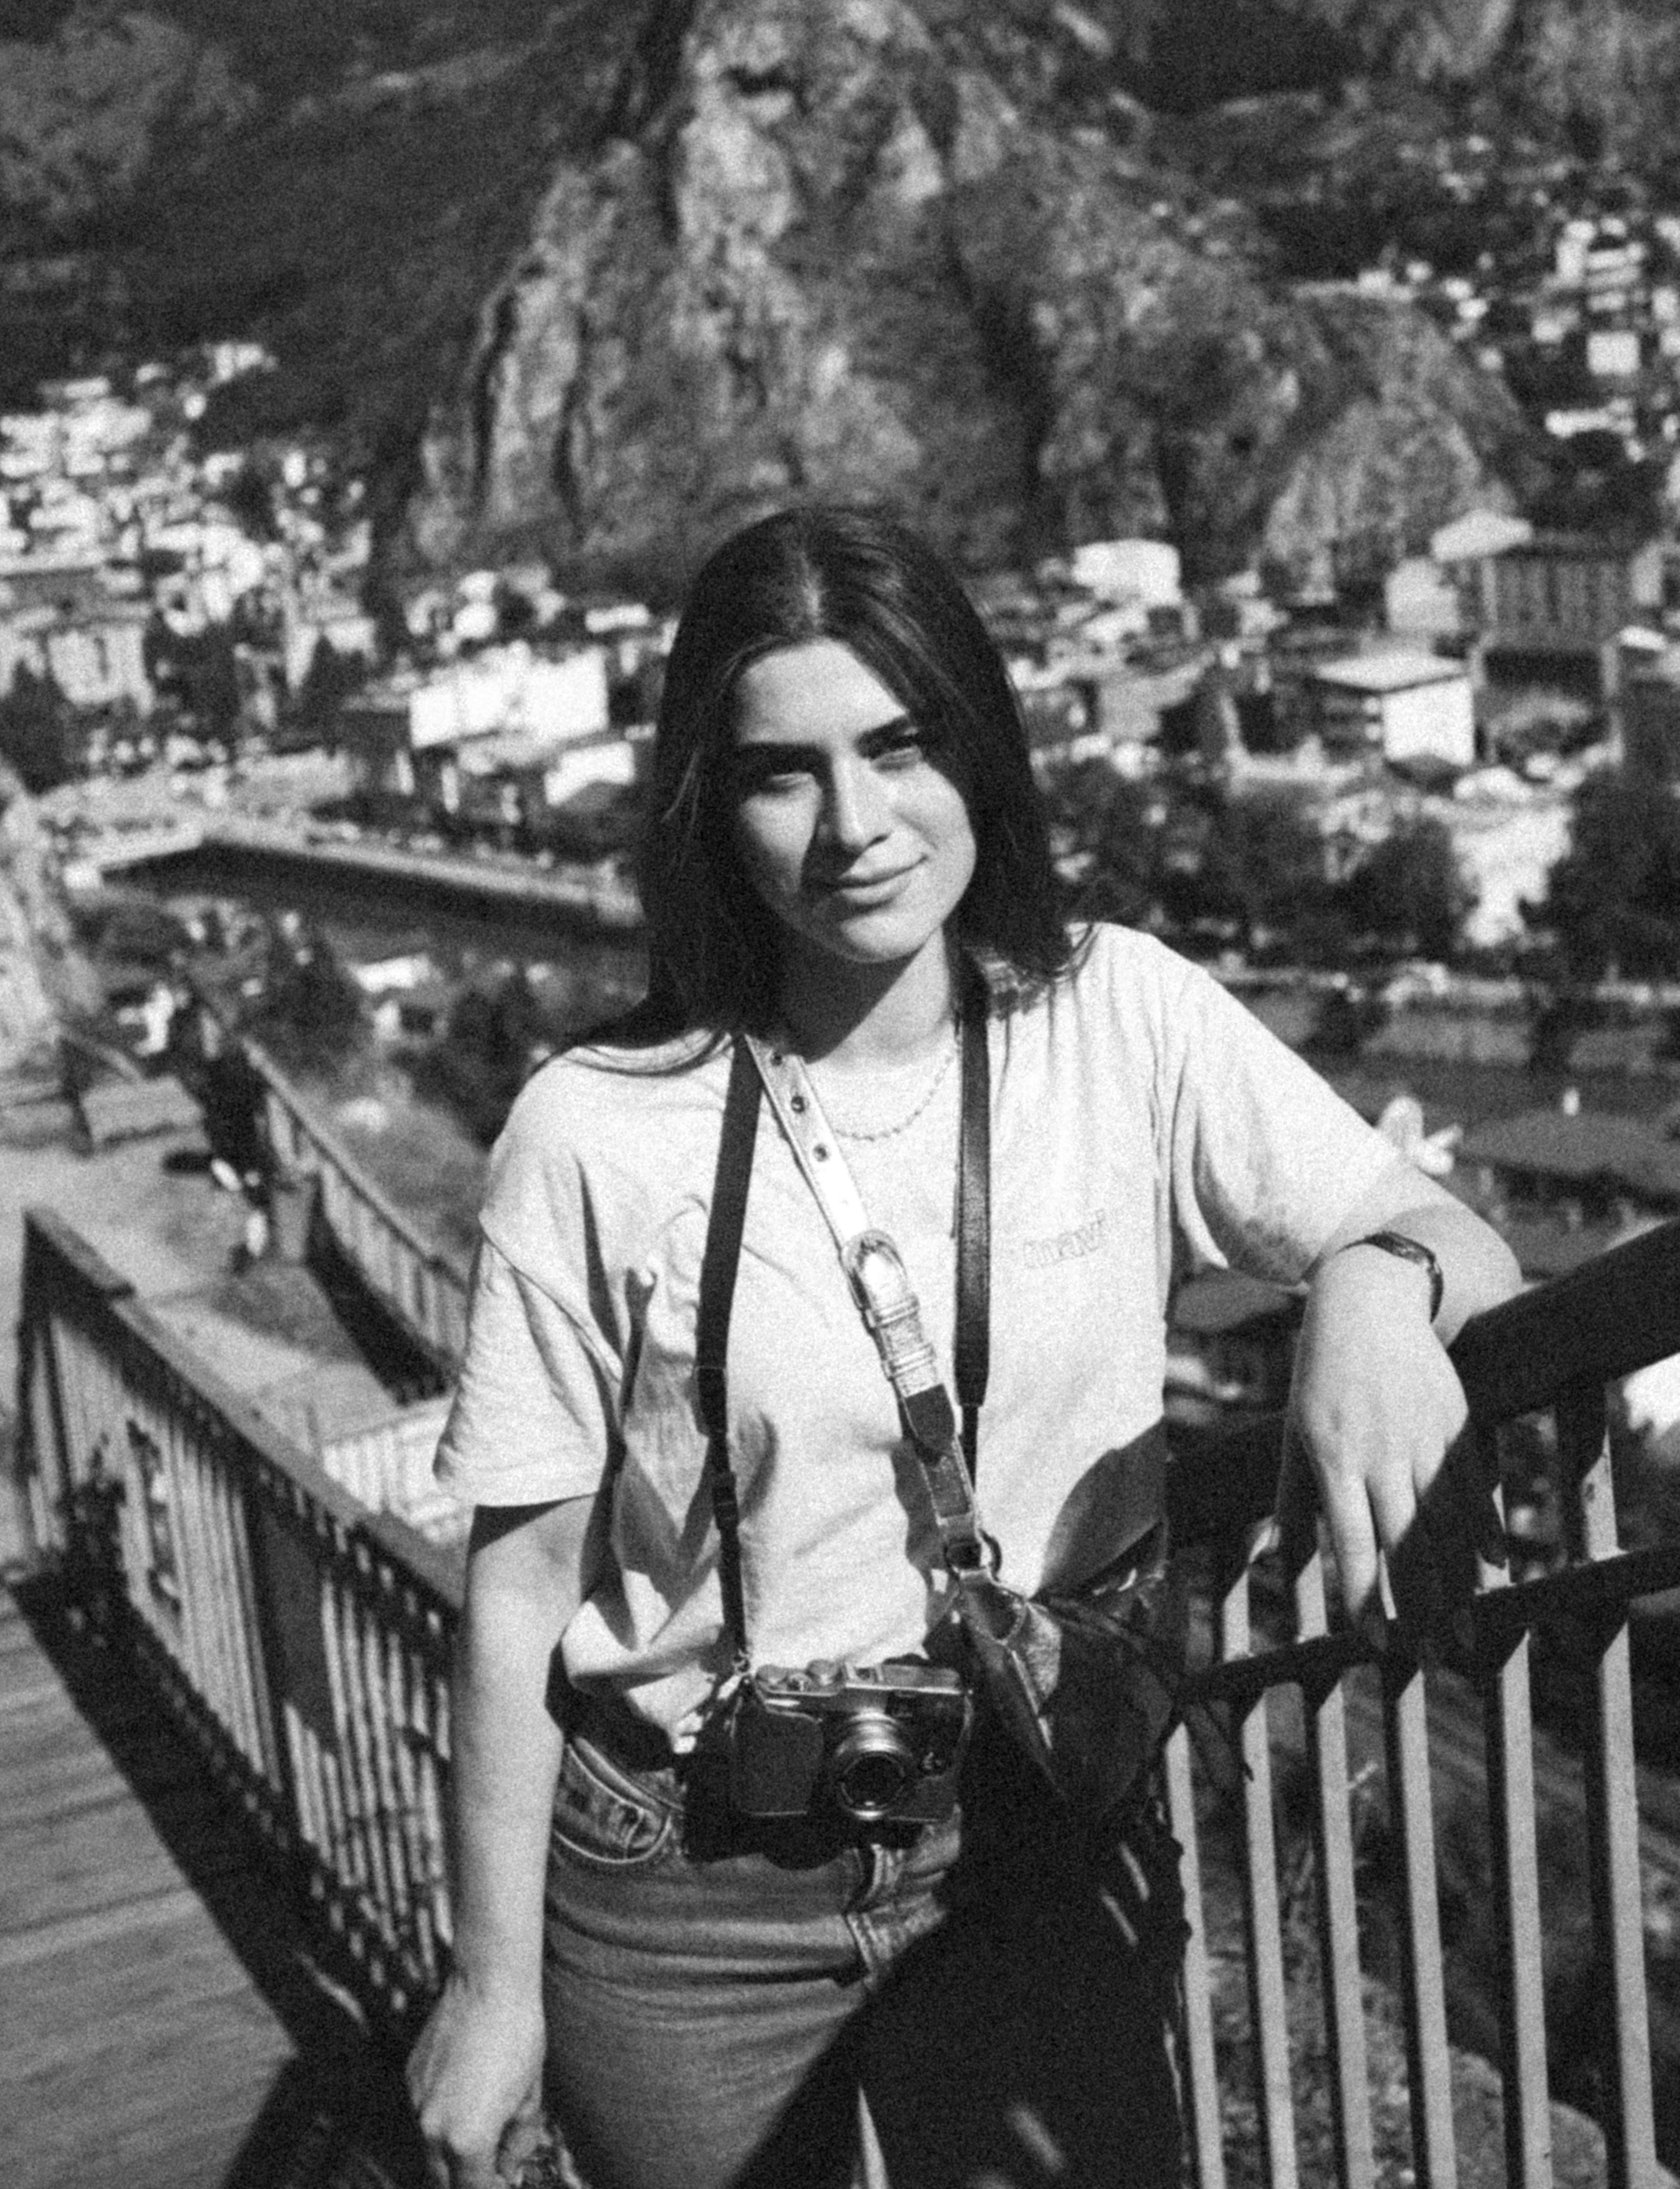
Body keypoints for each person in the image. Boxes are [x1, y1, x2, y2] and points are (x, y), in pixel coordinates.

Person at [408, 503, 1521, 2189]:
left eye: (900, 747)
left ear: (977, 750)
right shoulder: (593, 1134)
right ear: (714, 811)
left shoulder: (1118, 1016)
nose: (856, 825)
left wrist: (1373, 1291)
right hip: (683, 1875)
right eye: (787, 773)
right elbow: (520, 1584)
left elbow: (1451, 1236)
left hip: (1024, 1830)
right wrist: (495, 1989)